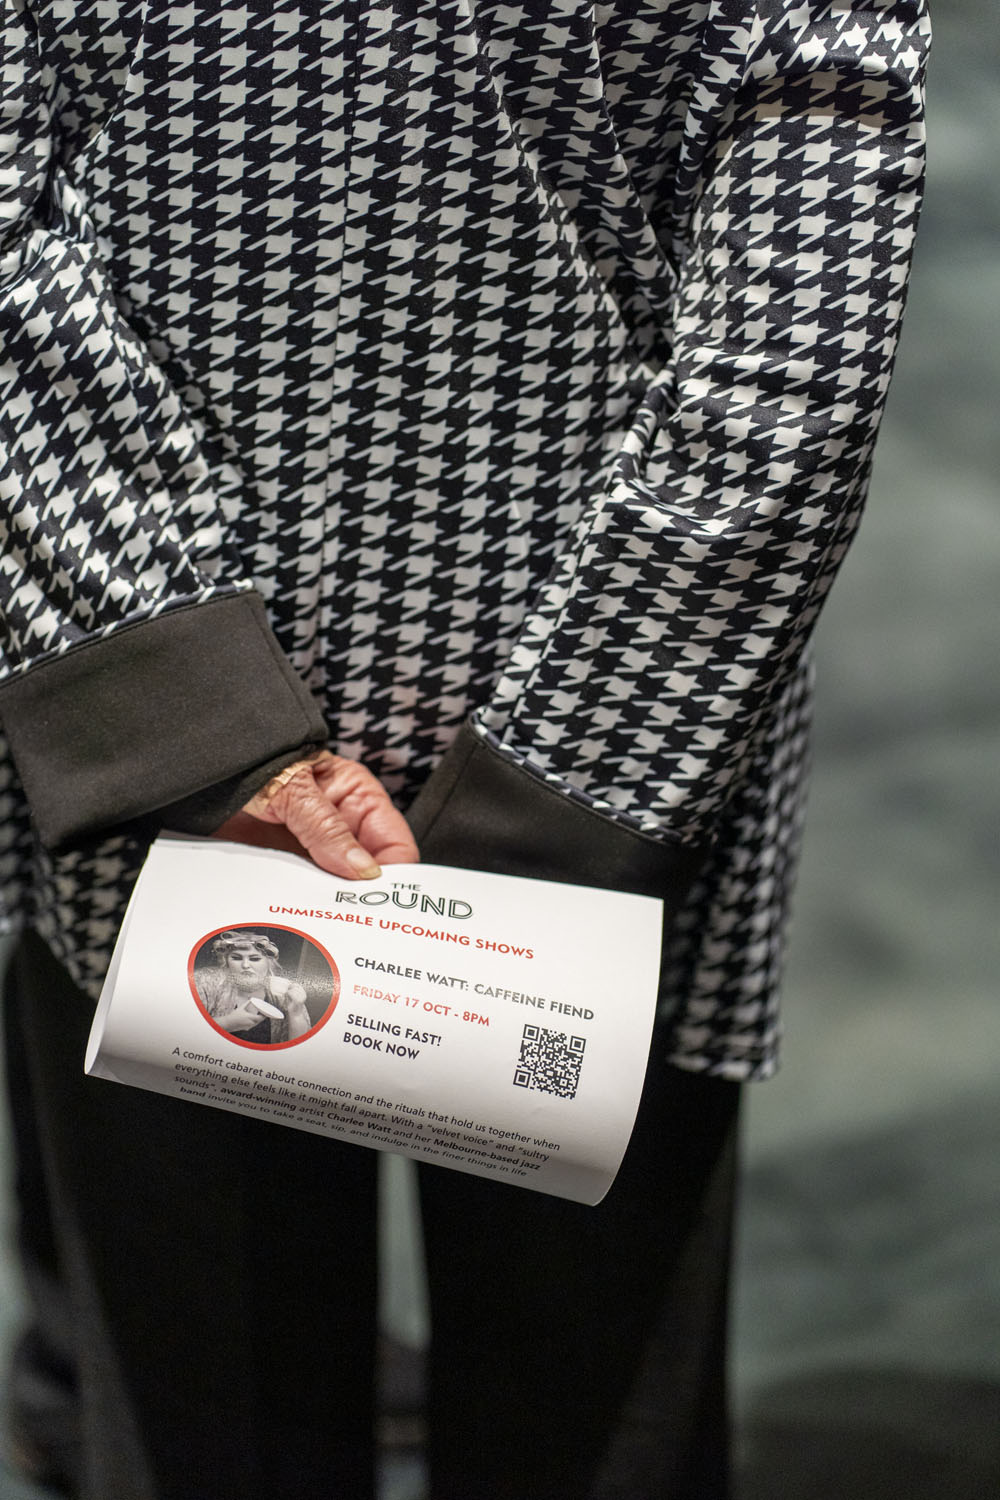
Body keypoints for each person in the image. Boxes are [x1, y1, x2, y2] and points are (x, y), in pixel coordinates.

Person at [0, 2, 930, 1496]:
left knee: (253, 1405)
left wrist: (179, 694)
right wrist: (580, 770)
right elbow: (794, 314)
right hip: (595, 733)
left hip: (253, 744)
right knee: (524, 1403)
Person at [193, 930, 311, 1045]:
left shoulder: (284, 994)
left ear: (269, 963)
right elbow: (184, 1031)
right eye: (236, 958)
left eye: (254, 959)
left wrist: (296, 1013)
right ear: (227, 962)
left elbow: (301, 1050)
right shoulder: (205, 982)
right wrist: (226, 1023)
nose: (245, 965)